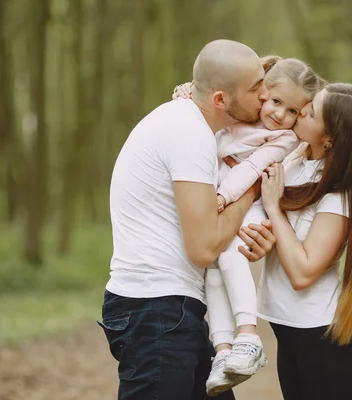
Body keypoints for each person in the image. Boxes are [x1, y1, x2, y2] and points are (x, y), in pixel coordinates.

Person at [98, 39, 275, 400]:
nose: (266, 95)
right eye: (256, 88)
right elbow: (204, 247)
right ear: (221, 100)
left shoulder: (190, 121)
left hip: (169, 310)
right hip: (154, 312)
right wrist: (253, 190)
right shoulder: (189, 133)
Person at [173, 56, 326, 396]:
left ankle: (249, 334)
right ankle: (224, 351)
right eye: (274, 102)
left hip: (252, 203)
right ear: (263, 93)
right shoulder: (240, 117)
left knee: (231, 256)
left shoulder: (284, 139)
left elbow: (252, 168)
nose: (280, 116)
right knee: (213, 270)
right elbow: (218, 97)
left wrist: (222, 198)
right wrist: (188, 94)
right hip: (225, 200)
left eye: (292, 112)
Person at [249, 83, 352, 399]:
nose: (301, 109)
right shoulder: (296, 157)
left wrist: (274, 208)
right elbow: (268, 85)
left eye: (311, 111)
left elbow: (303, 273)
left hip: (321, 340)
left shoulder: (338, 197)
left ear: (329, 139)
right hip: (291, 333)